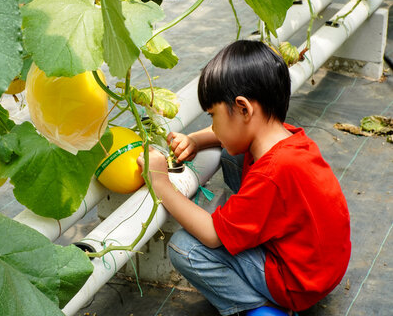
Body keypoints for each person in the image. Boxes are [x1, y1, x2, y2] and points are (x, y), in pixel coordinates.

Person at [137, 40, 351, 316]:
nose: (212, 126)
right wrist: (195, 140)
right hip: (322, 265)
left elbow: (213, 236)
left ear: (243, 108)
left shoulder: (271, 173)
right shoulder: (284, 140)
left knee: (185, 249)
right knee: (232, 156)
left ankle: (261, 308)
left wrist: (160, 183)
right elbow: (228, 138)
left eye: (213, 116)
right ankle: (246, 237)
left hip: (298, 284)